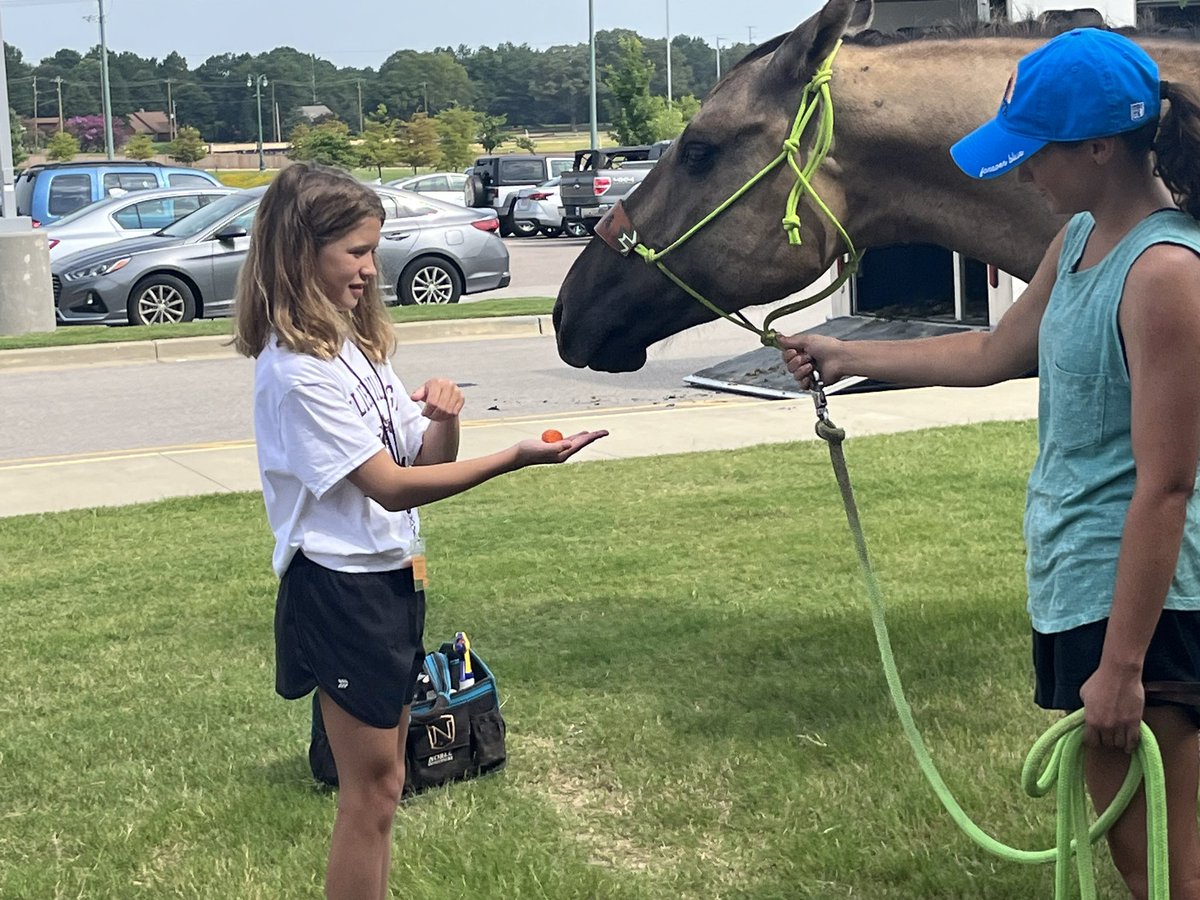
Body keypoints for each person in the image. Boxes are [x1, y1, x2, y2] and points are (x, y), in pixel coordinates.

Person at [780, 29, 1200, 900]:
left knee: (1165, 865)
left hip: (1149, 610)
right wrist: (846, 355)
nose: (1023, 172)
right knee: (1142, 859)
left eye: (1036, 150)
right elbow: (993, 351)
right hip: (1086, 588)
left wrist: (1123, 666)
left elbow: (1167, 486)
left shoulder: (1164, 273)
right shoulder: (1079, 240)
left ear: (1099, 147)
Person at [232, 162, 607, 900]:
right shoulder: (297, 373)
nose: (370, 269)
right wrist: (515, 458)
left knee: (388, 781)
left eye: (373, 250)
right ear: (302, 253)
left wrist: (445, 416)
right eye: (356, 252)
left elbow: (422, 460)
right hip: (341, 590)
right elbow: (391, 486)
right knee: (370, 793)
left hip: (391, 578)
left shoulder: (349, 348)